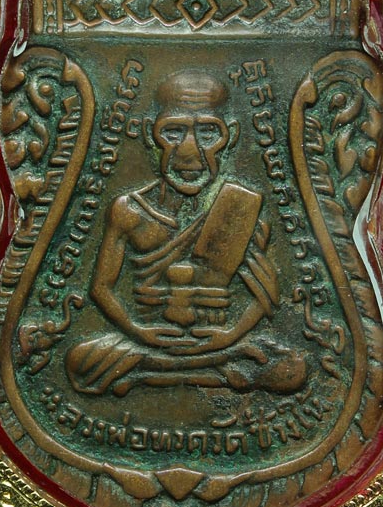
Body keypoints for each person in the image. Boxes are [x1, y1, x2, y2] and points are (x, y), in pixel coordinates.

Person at [66, 69, 306, 396]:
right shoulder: (128, 209)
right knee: (78, 360)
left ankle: (155, 373)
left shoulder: (239, 207)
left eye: (208, 133)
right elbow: (101, 288)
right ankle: (218, 372)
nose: (189, 151)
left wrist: (230, 336)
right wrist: (138, 331)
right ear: (150, 134)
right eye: (173, 132)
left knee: (294, 367)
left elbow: (266, 295)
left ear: (231, 136)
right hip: (149, 339)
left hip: (216, 339)